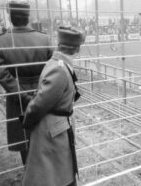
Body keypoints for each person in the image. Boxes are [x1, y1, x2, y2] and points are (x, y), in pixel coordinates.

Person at [21, 26, 84, 186]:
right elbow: (39, 104)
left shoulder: (57, 63)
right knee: (58, 177)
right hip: (54, 134)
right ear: (77, 48)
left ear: (59, 44)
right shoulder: (59, 70)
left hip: (56, 130)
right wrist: (27, 123)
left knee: (58, 176)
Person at [0, 1, 53, 165]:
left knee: (24, 140)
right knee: (46, 135)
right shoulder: (44, 38)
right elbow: (53, 69)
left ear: (10, 17)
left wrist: (24, 96)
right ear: (28, 17)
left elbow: (2, 74)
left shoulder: (0, 41)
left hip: (17, 97)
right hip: (43, 93)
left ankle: (31, 174)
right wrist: (43, 92)